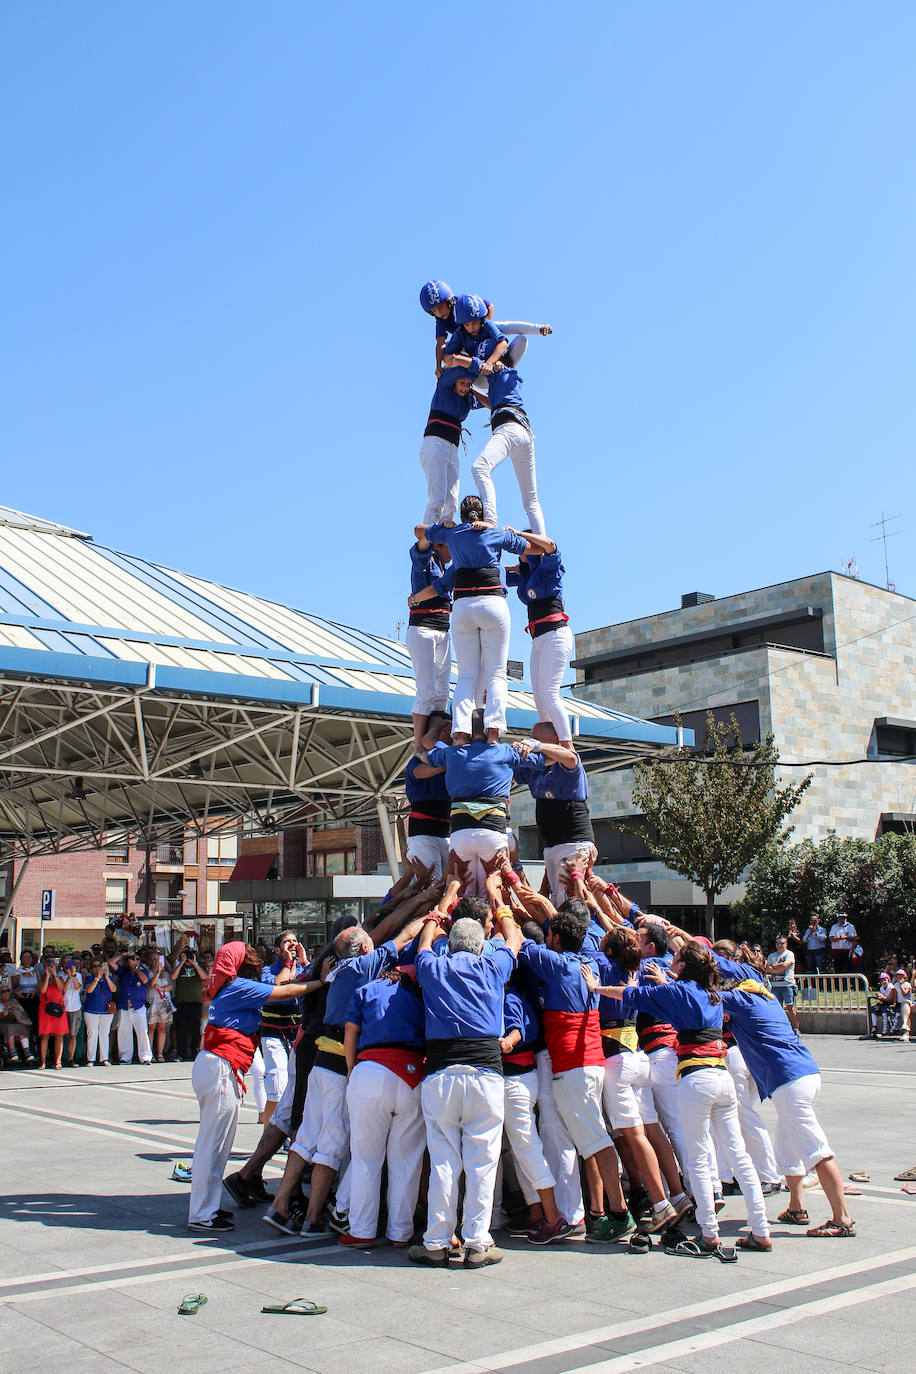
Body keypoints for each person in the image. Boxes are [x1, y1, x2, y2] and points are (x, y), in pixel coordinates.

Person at [595, 941, 771, 1257]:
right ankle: (761, 1230)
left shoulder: (678, 992)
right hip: (721, 1077)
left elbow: (631, 996)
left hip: (697, 1079)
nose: (670, 961)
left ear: (683, 966)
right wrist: (671, 983)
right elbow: (689, 995)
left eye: (675, 958)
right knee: (738, 1154)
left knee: (698, 1157)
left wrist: (596, 987)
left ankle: (709, 1233)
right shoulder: (713, 993)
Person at [712, 945, 855, 1238]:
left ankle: (842, 1219)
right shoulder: (764, 993)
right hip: (804, 1073)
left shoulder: (741, 998)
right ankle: (796, 1207)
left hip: (789, 1081)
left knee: (817, 1150)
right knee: (787, 1146)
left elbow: (704, 997)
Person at [519, 900, 637, 1246]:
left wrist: (506, 895)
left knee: (597, 1141)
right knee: (591, 1141)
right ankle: (604, 1212)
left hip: (573, 1067)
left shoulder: (555, 963)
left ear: (555, 938)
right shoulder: (591, 960)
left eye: (550, 935)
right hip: (592, 1063)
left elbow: (519, 941)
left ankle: (620, 1213)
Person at [409, 910, 522, 1269]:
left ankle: (436, 1241)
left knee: (443, 1161)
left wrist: (434, 918)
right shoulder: (492, 966)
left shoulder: (433, 967)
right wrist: (502, 911)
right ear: (481, 946)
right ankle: (477, 1242)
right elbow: (514, 939)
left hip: (441, 1074)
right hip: (485, 1074)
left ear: (451, 945)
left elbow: (423, 945)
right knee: (482, 1161)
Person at [188, 942, 324, 1232]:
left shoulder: (230, 987)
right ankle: (201, 1214)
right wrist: (323, 981)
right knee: (213, 1145)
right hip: (220, 1067)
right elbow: (285, 992)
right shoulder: (237, 987)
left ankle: (207, 1208)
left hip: (215, 1066)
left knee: (216, 1145)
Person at [414, 498, 554, 741]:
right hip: (492, 603)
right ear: (483, 515)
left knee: (466, 675)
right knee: (496, 673)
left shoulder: (454, 534)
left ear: (462, 515)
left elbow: (418, 530)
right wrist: (510, 532)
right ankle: (493, 733)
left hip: (463, 606)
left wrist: (446, 527)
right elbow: (537, 549)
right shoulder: (495, 533)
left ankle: (461, 733)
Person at [341, 966, 427, 1247]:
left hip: (371, 1071)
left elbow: (351, 1030)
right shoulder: (421, 996)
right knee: (407, 1162)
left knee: (366, 1159)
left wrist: (351, 1068)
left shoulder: (366, 990)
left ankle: (362, 1230)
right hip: (412, 1074)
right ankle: (400, 1232)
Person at [421, 710, 523, 894]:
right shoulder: (505, 751)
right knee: (492, 892)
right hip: (493, 830)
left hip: (461, 833)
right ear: (493, 729)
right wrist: (532, 745)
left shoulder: (452, 753)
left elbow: (425, 749)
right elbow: (544, 760)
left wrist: (421, 752)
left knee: (463, 894)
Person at [513, 727, 596, 905]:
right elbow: (511, 772)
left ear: (554, 739)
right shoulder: (537, 764)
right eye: (530, 739)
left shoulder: (567, 763)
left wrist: (538, 746)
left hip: (572, 843)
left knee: (570, 903)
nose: (530, 743)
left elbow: (570, 757)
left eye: (535, 739)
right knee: (557, 902)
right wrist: (512, 752)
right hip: (551, 846)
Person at [465, 361, 546, 535]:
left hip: (509, 430)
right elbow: (491, 403)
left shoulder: (500, 369)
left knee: (479, 467)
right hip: (523, 435)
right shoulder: (500, 384)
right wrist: (472, 390)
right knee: (531, 499)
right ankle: (543, 540)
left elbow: (491, 356)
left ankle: (490, 520)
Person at [506, 543, 572, 742]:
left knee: (550, 694)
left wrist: (523, 536)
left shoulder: (548, 568)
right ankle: (550, 745)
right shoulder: (526, 572)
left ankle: (567, 745)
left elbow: (550, 546)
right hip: (538, 639)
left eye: (526, 549)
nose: (522, 553)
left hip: (555, 634)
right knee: (540, 699)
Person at [419, 280, 551, 377]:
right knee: (448, 352)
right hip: (467, 342)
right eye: (434, 311)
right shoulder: (441, 321)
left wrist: (485, 325)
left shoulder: (463, 301)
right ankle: (472, 375)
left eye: (440, 307)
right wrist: (439, 367)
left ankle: (538, 329)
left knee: (501, 326)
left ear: (449, 301)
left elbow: (489, 305)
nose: (439, 312)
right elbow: (440, 343)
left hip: (482, 332)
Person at [417, 370, 485, 528]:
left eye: (468, 384)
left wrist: (474, 388)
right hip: (436, 443)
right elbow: (446, 368)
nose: (465, 387)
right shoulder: (445, 387)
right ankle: (428, 536)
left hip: (453, 448)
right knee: (437, 498)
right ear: (455, 381)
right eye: (462, 383)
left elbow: (490, 401)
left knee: (451, 501)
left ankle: (443, 537)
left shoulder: (468, 398)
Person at [407, 537, 453, 753]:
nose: (453, 551)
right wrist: (437, 531)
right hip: (423, 628)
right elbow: (421, 544)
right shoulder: (426, 562)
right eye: (450, 546)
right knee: (426, 689)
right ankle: (418, 745)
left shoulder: (446, 567)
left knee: (442, 693)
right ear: (439, 545)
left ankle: (434, 742)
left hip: (442, 629)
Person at [259, 931, 307, 1130]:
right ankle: (267, 1135)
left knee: (300, 1084)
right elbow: (276, 989)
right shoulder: (268, 971)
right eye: (287, 942)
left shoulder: (306, 968)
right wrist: (287, 964)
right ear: (278, 950)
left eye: (295, 941)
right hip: (273, 1030)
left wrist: (304, 962)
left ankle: (293, 1133)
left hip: (298, 1030)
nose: (292, 944)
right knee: (277, 1084)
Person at [404, 712, 452, 879]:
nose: (448, 734)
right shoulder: (416, 760)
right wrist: (451, 763)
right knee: (430, 886)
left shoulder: (451, 758)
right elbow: (421, 772)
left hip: (446, 833)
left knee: (448, 885)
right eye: (441, 729)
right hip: (423, 834)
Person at [116, 951, 152, 1064]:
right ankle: (125, 1056)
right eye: (132, 959)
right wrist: (124, 954)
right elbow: (111, 963)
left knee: (142, 1031)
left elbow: (145, 980)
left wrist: (136, 968)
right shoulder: (124, 971)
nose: (134, 961)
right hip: (124, 1006)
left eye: (137, 959)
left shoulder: (143, 971)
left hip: (138, 1006)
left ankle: (145, 1056)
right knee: (124, 1032)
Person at [171, 940, 205, 1059]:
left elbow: (204, 976)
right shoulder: (179, 967)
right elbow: (173, 977)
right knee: (181, 1028)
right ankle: (181, 1053)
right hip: (181, 1002)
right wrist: (181, 962)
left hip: (196, 1002)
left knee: (195, 1028)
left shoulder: (198, 967)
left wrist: (195, 963)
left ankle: (194, 1050)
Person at [83, 957, 117, 1066]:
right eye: (95, 966)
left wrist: (106, 977)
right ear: (91, 969)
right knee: (92, 1034)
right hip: (91, 1011)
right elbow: (89, 990)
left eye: (99, 966)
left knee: (104, 1034)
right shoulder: (89, 978)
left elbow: (114, 989)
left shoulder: (108, 978)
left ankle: (104, 1058)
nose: (97, 968)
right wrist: (97, 978)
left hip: (106, 1011)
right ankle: (91, 1059)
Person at [37, 953, 67, 1070]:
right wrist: (47, 977)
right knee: (45, 1035)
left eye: (52, 967)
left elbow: (61, 988)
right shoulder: (41, 980)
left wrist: (54, 975)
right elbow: (43, 990)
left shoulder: (59, 978)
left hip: (58, 1009)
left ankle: (58, 1061)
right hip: (46, 1010)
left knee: (59, 1035)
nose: (49, 969)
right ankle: (43, 1062)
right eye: (48, 967)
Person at [766, 935, 799, 1033]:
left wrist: (773, 967)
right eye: (778, 943)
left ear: (786, 944)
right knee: (778, 1008)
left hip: (787, 985)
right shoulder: (771, 956)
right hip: (775, 986)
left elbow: (785, 965)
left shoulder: (789, 954)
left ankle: (796, 1029)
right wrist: (777, 968)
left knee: (790, 1008)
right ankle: (781, 1029)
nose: (780, 945)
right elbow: (767, 968)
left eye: (782, 943)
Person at [145, 949, 174, 1062]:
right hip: (153, 1003)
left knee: (162, 1028)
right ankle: (150, 1053)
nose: (156, 962)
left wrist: (162, 989)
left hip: (163, 1004)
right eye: (154, 959)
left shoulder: (166, 974)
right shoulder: (148, 972)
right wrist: (157, 972)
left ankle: (160, 1054)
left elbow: (171, 986)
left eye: (158, 959)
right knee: (151, 1029)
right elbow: (152, 983)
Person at [1, 987, 35, 1066]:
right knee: (10, 1028)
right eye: (3, 991)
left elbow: (24, 1013)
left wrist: (22, 1014)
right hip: (3, 1023)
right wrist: (3, 1014)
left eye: (8, 991)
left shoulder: (14, 1001)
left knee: (21, 1027)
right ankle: (12, 1052)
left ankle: (27, 1052)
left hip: (14, 1022)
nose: (6, 993)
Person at [62, 958, 84, 1067]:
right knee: (62, 1035)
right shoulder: (61, 975)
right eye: (66, 962)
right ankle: (62, 1057)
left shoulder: (78, 975)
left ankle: (71, 1058)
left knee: (73, 1034)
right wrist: (68, 977)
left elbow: (77, 987)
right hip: (64, 1007)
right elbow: (63, 990)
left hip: (75, 1007)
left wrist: (73, 975)